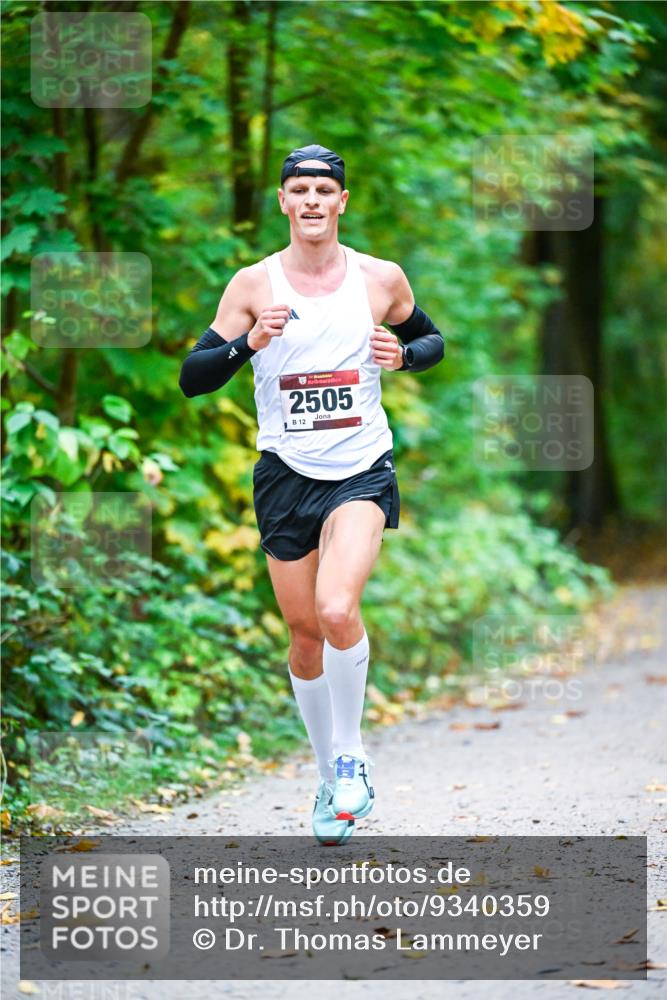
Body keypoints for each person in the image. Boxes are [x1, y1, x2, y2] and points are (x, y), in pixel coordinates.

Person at [179, 143, 444, 845]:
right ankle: (329, 778)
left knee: (335, 609)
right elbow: (193, 376)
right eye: (299, 190)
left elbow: (432, 341)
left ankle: (352, 757)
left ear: (342, 202)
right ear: (283, 202)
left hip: (361, 467)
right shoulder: (254, 284)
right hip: (284, 473)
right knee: (303, 638)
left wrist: (404, 355)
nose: (312, 201)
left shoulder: (379, 278)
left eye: (324, 191)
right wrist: (247, 345)